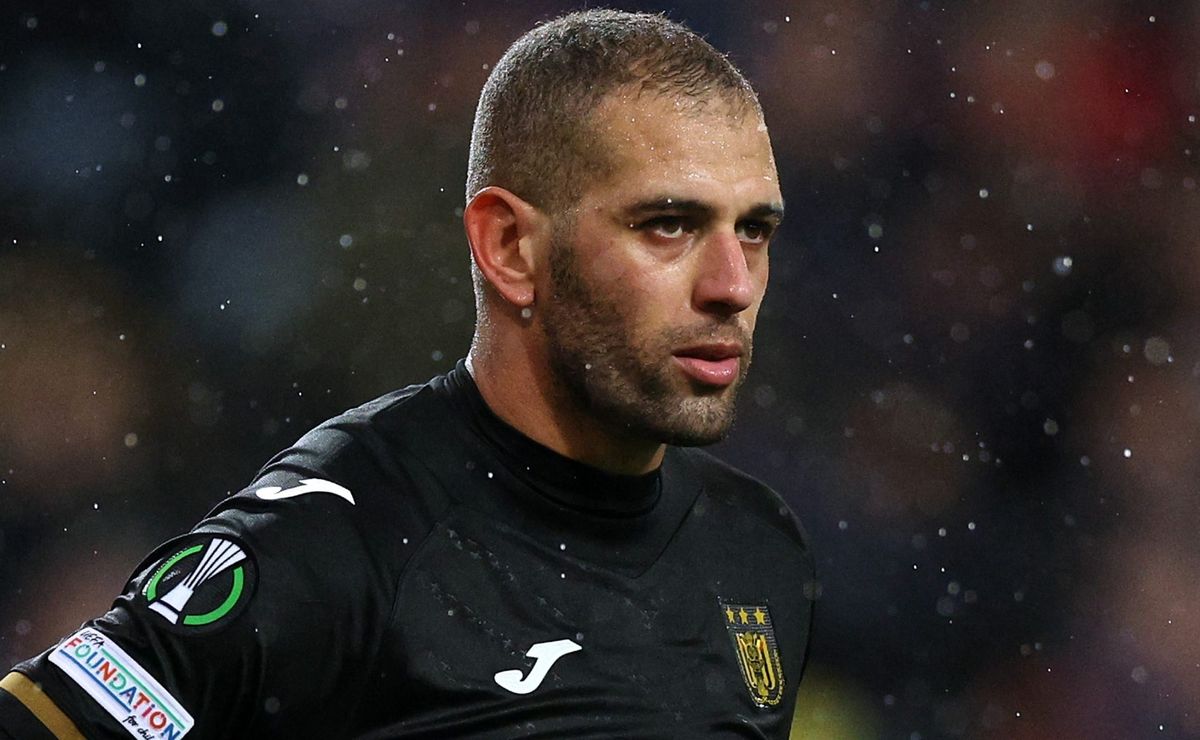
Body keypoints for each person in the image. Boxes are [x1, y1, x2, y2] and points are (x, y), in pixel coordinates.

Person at [0, 9, 815, 738]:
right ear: (510, 248)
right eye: (668, 225)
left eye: (754, 231)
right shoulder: (335, 539)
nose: (733, 285)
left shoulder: (757, 547)